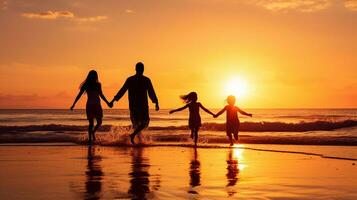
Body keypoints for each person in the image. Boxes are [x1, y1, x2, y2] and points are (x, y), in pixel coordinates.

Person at [110, 62, 159, 145]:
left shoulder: (130, 79)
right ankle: (133, 136)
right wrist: (156, 102)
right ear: (143, 69)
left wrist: (113, 100)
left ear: (135, 69)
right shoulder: (146, 80)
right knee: (145, 123)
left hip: (133, 105)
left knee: (136, 124)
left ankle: (137, 141)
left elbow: (122, 91)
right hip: (143, 105)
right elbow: (151, 92)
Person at [70, 70, 112, 143]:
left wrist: (107, 103)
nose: (94, 77)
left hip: (97, 105)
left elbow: (101, 95)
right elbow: (79, 95)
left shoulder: (98, 84)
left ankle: (93, 132)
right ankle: (90, 139)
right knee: (91, 123)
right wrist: (74, 104)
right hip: (90, 105)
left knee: (99, 122)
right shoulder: (87, 85)